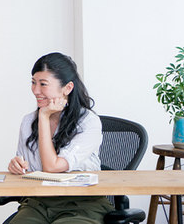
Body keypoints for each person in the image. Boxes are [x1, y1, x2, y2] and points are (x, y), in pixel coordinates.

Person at [6, 52, 113, 223]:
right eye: (33, 83)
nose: (35, 90)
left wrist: (43, 116)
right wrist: (17, 166)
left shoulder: (88, 122)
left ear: (67, 88)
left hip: (82, 203)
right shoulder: (28, 121)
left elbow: (52, 167)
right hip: (39, 202)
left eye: (43, 84)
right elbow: (29, 171)